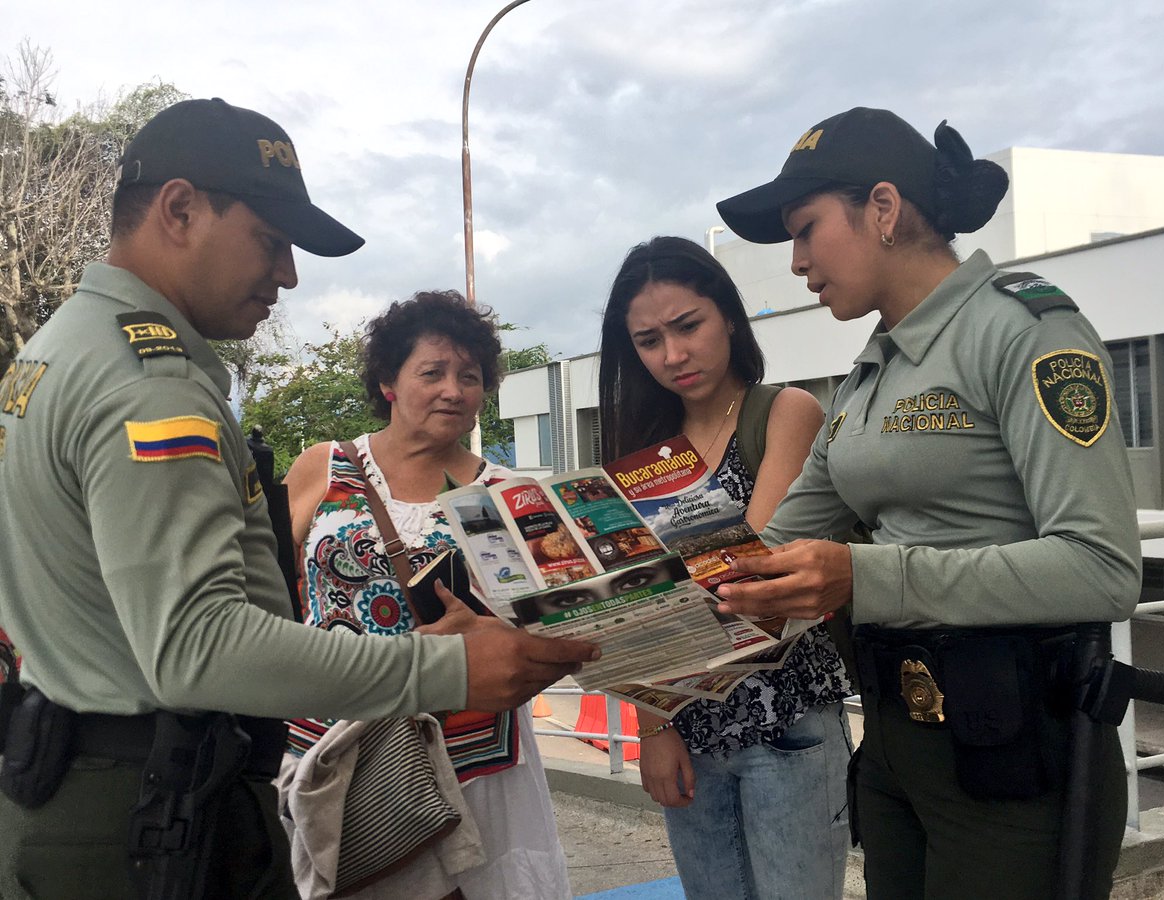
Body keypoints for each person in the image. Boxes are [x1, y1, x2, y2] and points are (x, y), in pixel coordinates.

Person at [0, 98, 596, 900]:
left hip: (78, 781)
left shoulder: (54, 355)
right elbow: (199, 646)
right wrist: (445, 668)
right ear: (179, 209)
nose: (288, 274)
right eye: (271, 241)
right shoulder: (150, 387)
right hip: (149, 814)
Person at [712, 106, 1141, 899]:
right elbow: (766, 548)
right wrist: (607, 606)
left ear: (882, 208)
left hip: (1013, 753)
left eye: (806, 230)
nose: (798, 261)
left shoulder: (1024, 331)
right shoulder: (871, 373)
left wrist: (865, 578)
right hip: (899, 747)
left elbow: (1102, 566)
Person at [282, 290, 572, 899]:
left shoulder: (505, 493)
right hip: (342, 750)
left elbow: (555, 629)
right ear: (389, 380)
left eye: (470, 376)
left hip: (477, 762)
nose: (454, 390)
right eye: (432, 372)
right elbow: (263, 593)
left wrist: (494, 639)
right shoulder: (323, 468)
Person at [598, 235, 854, 900]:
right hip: (688, 727)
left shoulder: (783, 412)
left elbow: (750, 579)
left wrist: (648, 600)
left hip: (786, 720)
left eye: (688, 326)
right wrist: (653, 727)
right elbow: (626, 615)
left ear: (729, 319)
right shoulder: (638, 453)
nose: (673, 355)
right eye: (649, 341)